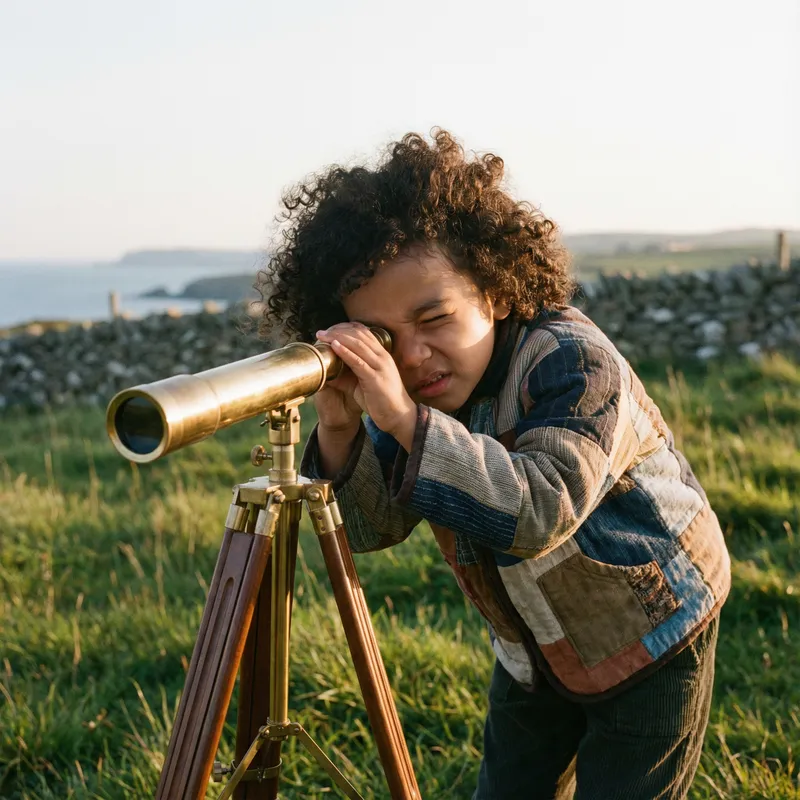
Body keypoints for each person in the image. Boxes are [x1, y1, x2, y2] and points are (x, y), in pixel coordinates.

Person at [255, 129, 731, 799]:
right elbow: (371, 528)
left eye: (434, 318)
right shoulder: (419, 397)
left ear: (497, 290)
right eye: (386, 338)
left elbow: (542, 506)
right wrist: (342, 427)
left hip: (650, 629)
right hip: (534, 646)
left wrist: (399, 419)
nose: (414, 355)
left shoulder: (573, 363)